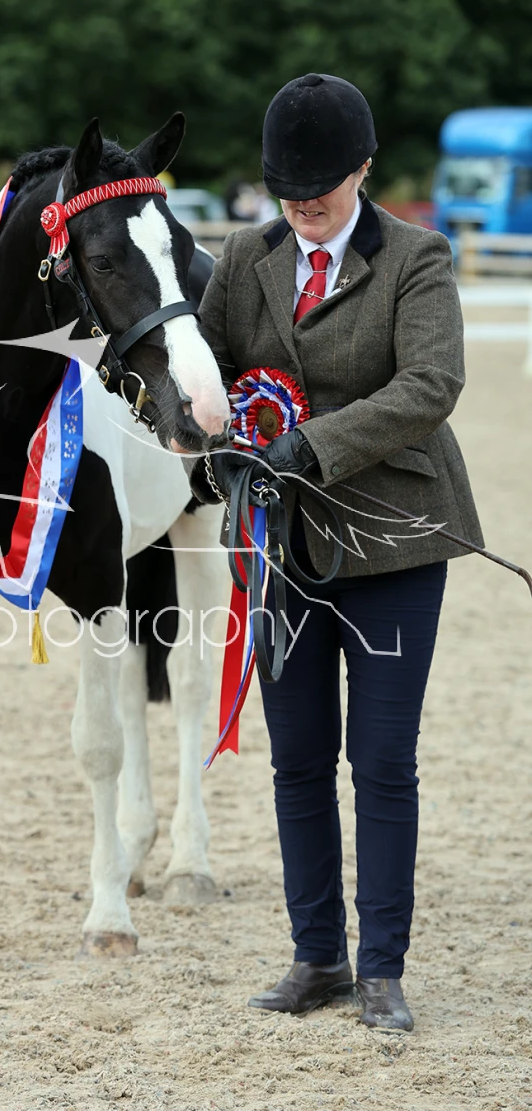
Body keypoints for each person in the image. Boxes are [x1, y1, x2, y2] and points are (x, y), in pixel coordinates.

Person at [191, 73, 483, 1031]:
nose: (300, 205)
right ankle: (316, 956)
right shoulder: (246, 257)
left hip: (392, 539)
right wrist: (208, 424)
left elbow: (430, 383)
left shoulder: (415, 256)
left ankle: (382, 968)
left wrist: (309, 444)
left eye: (317, 187)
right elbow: (212, 369)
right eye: (286, 189)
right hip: (280, 544)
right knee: (299, 760)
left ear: (362, 167)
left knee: (382, 761)